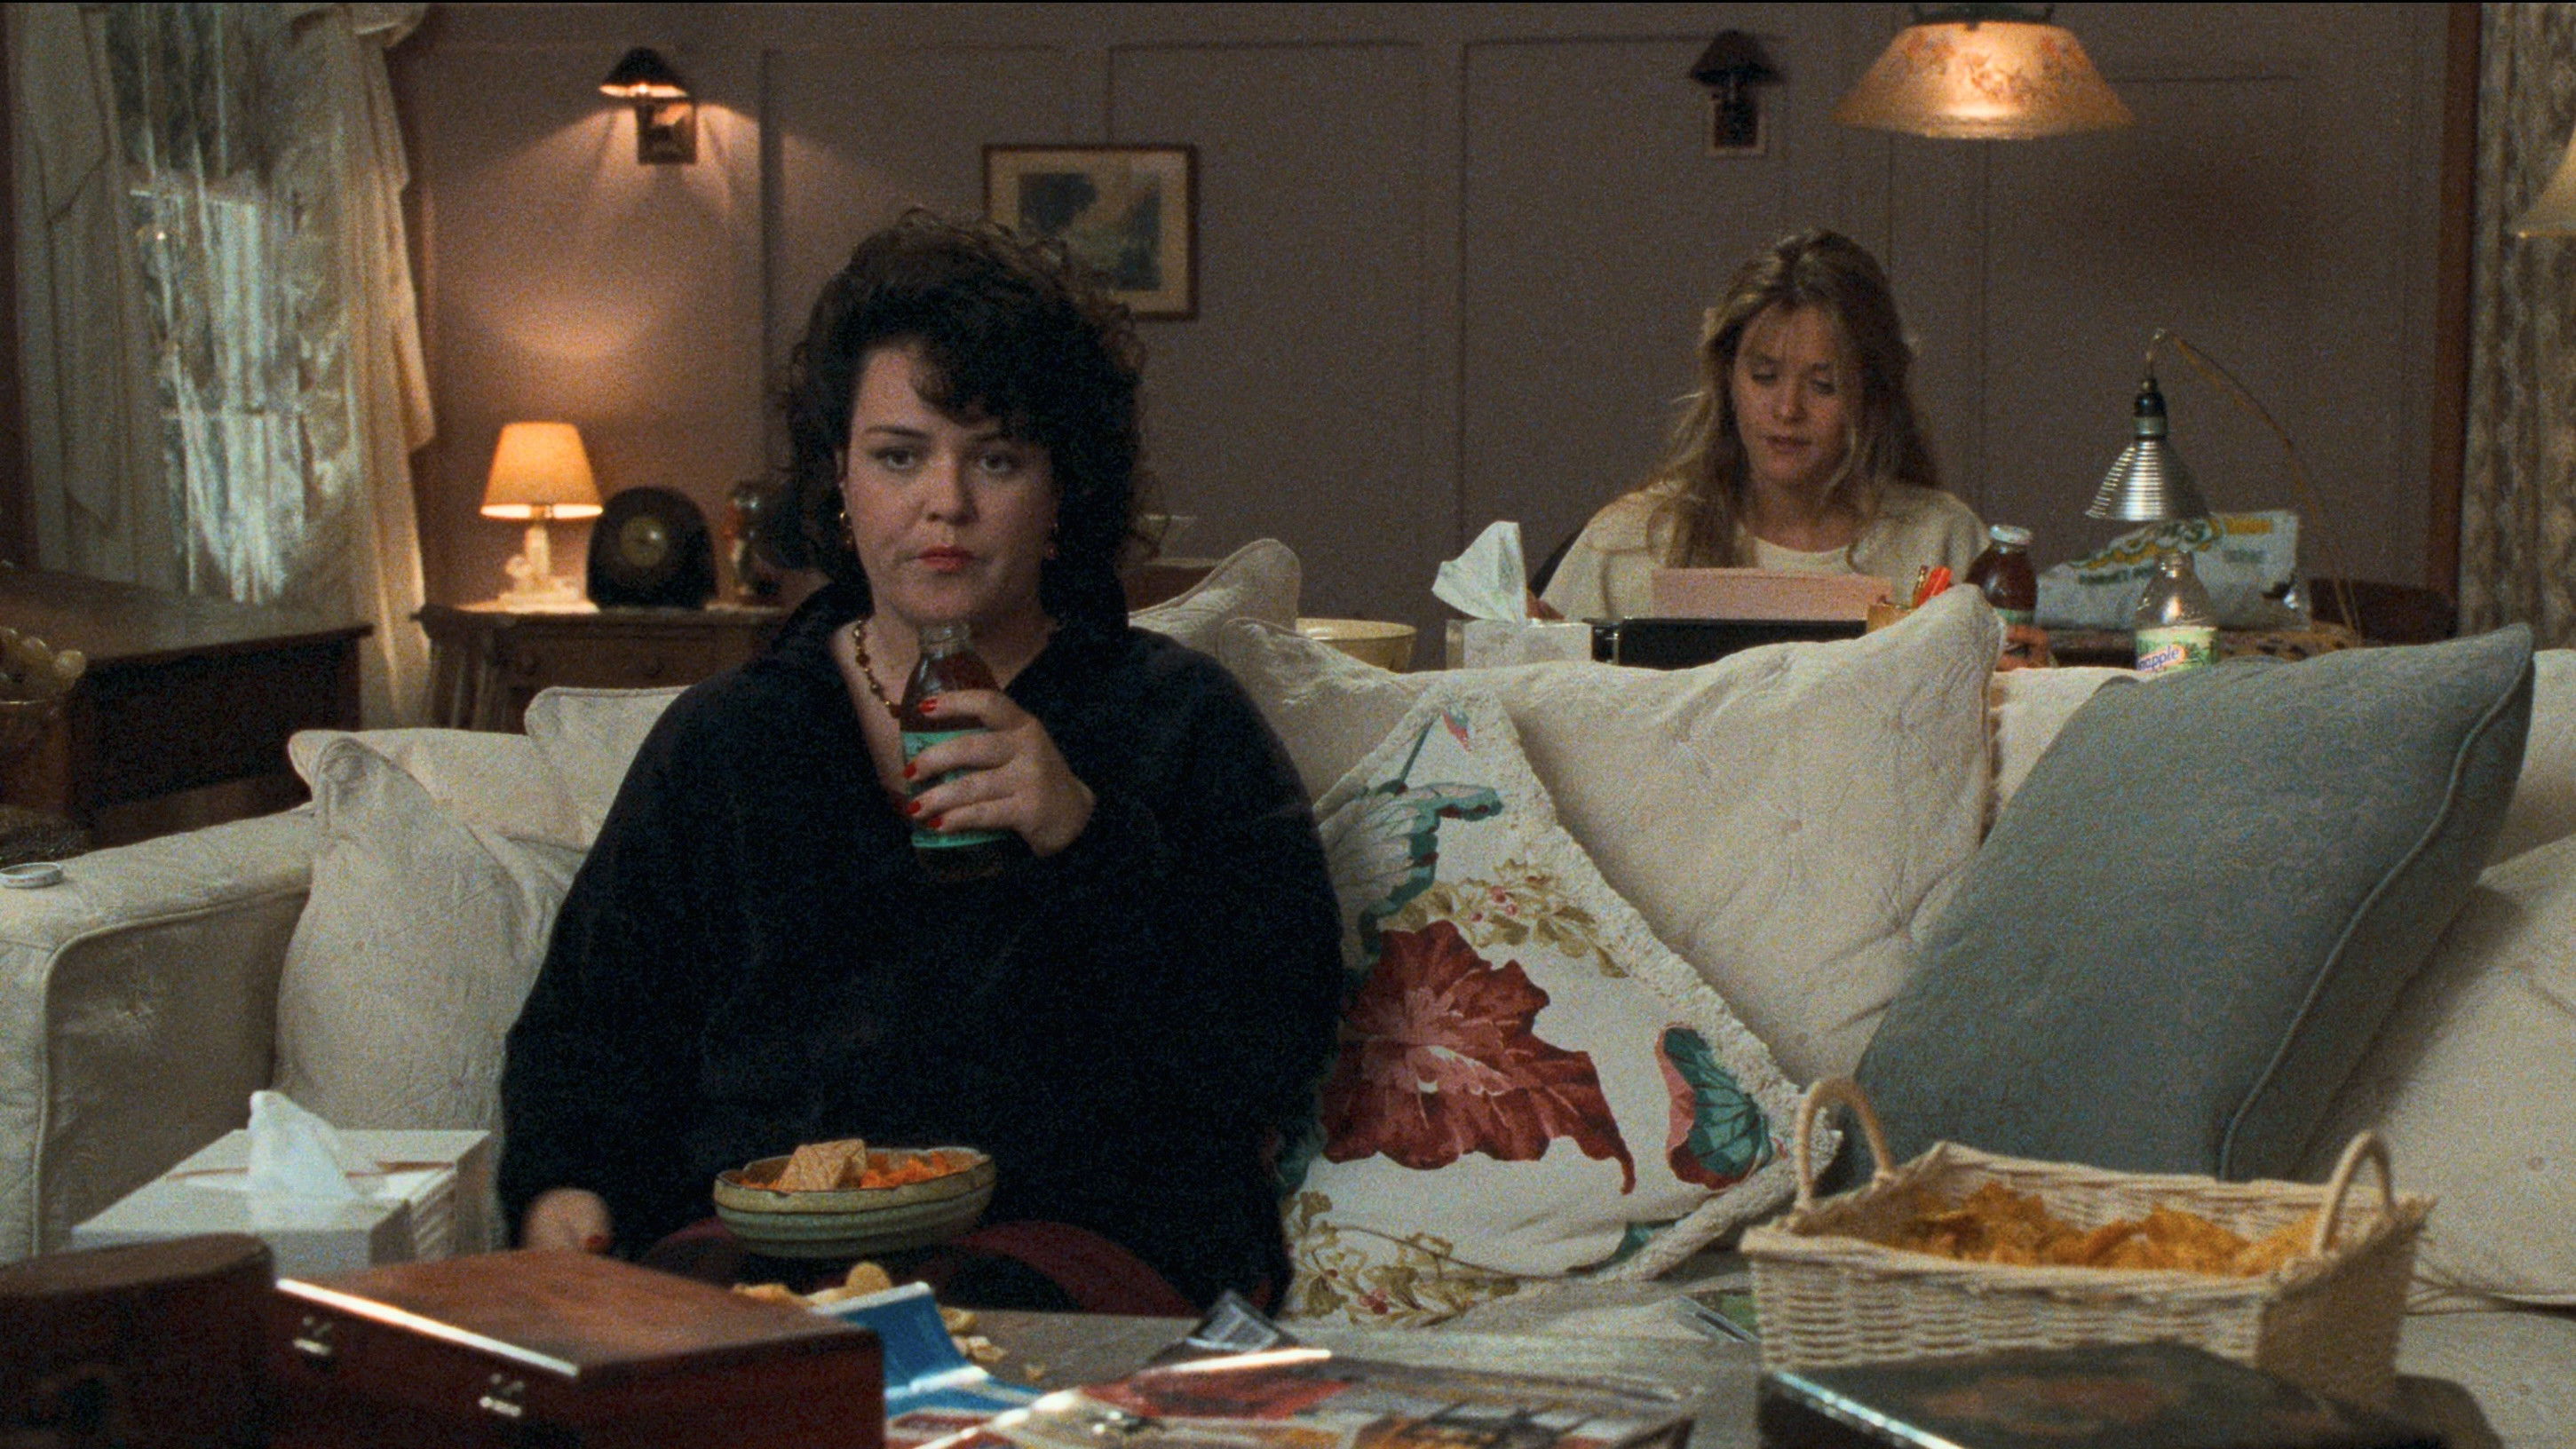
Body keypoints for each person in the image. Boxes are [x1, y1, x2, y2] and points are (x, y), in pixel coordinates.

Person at [496, 210, 1345, 1312]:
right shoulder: (732, 737)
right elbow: (589, 1032)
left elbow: (1272, 1045)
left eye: (997, 458)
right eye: (899, 456)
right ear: (840, 484)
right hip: (760, 1251)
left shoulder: (1174, 717)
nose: (946, 502)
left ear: (1061, 493)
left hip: (1074, 1240)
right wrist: (561, 1187)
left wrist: (1086, 837)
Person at [1539, 228, 1983, 621]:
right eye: (1764, 377)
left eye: (1823, 386)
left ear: (1872, 394)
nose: (1787, 410)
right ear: (1727, 378)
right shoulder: (1631, 542)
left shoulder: (1941, 539)